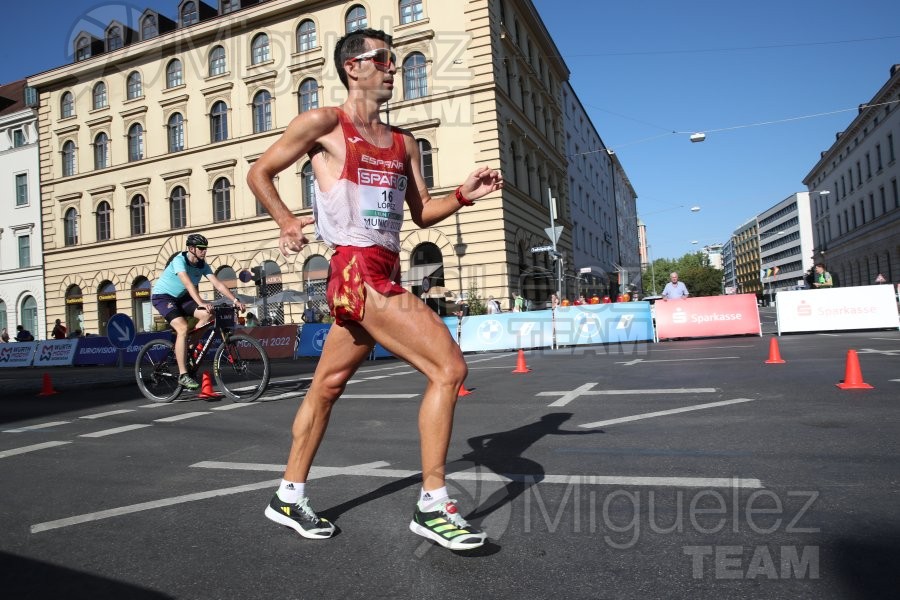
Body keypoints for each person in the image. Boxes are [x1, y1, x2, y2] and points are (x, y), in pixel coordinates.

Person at [247, 28, 502, 551]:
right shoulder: (323, 123)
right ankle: (433, 504)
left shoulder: (405, 142)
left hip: (385, 268)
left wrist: (462, 194)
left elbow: (422, 214)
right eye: (383, 59)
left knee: (327, 387)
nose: (392, 67)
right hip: (356, 271)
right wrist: (287, 221)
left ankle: (288, 494)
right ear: (352, 68)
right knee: (448, 368)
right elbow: (259, 172)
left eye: (394, 59)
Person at [150, 234, 246, 390]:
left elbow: (218, 284)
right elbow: (188, 284)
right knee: (182, 328)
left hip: (182, 298)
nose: (204, 251)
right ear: (191, 248)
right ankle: (183, 375)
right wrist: (201, 302)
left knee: (209, 315)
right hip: (163, 297)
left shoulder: (202, 265)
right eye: (201, 249)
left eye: (205, 248)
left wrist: (235, 300)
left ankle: (188, 348)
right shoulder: (179, 261)